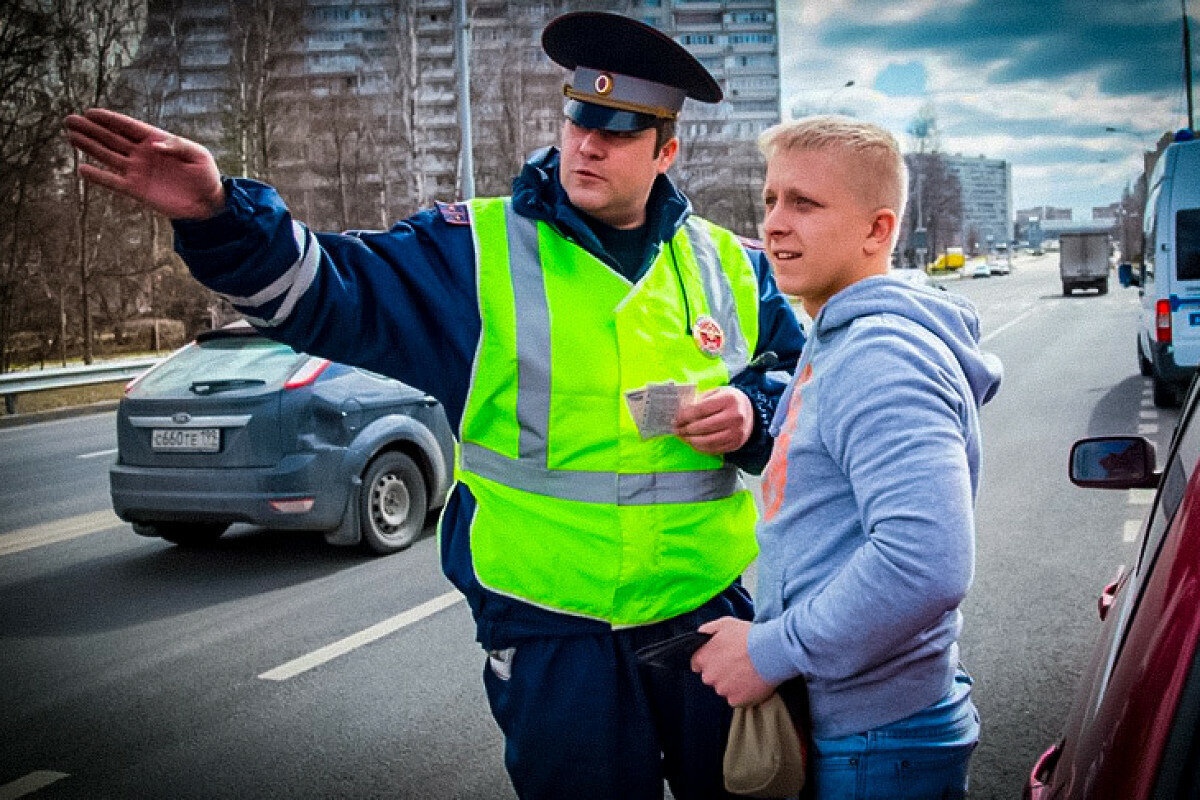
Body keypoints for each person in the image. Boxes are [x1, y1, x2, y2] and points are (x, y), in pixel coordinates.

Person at [65, 12, 804, 799]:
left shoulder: (728, 264)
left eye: (620, 132)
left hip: (703, 617)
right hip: (553, 628)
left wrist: (753, 413)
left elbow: (800, 383)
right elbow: (325, 292)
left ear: (666, 150)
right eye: (580, 119)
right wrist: (216, 213)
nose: (588, 144)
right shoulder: (475, 250)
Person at [691, 116, 1002, 799]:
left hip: (877, 743)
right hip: (870, 729)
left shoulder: (879, 353)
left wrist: (768, 652)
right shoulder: (840, 335)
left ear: (877, 230)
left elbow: (926, 563)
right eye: (771, 200)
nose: (773, 223)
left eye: (805, 203)